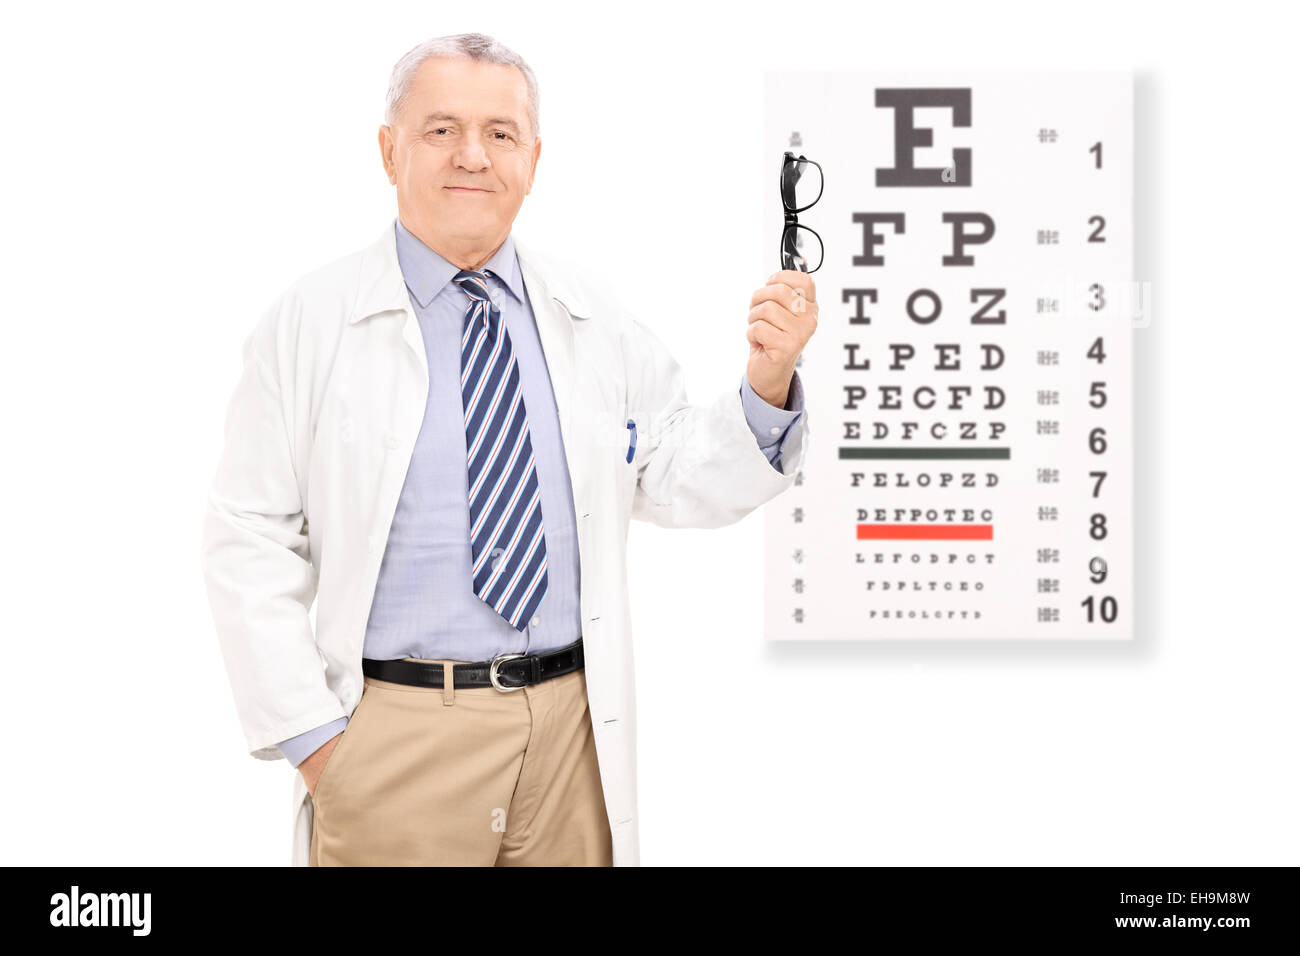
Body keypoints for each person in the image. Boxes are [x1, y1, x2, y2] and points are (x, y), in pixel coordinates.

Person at [199, 31, 816, 866]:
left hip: (570, 735)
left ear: (533, 159)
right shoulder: (310, 321)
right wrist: (319, 745)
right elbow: (248, 537)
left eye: (500, 133)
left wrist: (768, 381)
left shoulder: (588, 313)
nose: (473, 156)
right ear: (389, 151)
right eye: (442, 129)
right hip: (399, 737)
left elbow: (672, 470)